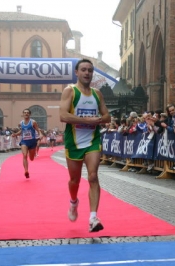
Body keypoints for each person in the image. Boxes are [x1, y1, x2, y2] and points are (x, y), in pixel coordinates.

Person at [59, 59, 111, 232]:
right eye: (83, 70)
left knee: (93, 176)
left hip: (92, 141)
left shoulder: (97, 94)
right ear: (77, 72)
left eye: (90, 70)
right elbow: (63, 116)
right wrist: (86, 120)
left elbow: (107, 116)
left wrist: (99, 120)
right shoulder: (70, 91)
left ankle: (93, 218)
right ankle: (73, 202)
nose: (87, 73)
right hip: (73, 142)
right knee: (74, 181)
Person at [11, 108, 43, 178]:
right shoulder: (21, 123)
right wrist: (15, 134)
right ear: (23, 114)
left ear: (29, 114)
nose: (26, 114)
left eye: (27, 112)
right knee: (24, 155)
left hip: (32, 141)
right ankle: (26, 171)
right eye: (25, 112)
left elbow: (38, 130)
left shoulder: (33, 122)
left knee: (31, 158)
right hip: (24, 141)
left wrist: (40, 134)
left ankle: (32, 154)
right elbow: (21, 131)